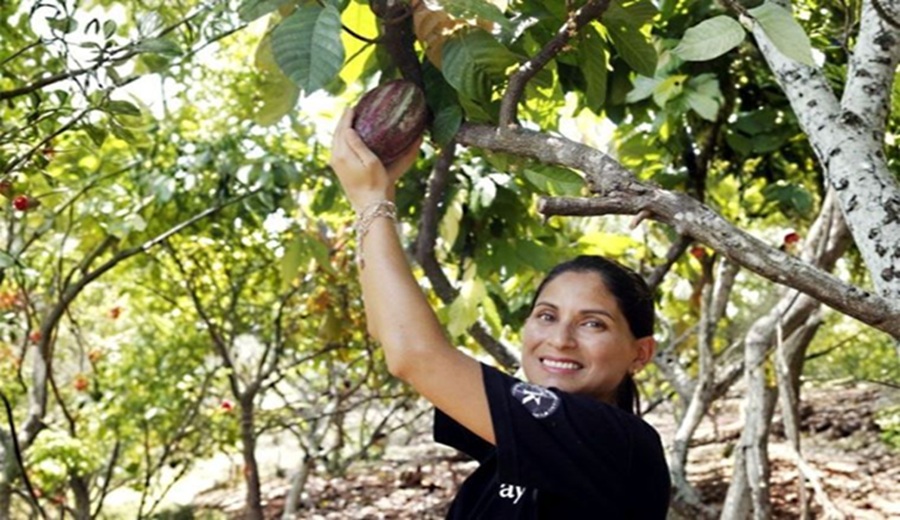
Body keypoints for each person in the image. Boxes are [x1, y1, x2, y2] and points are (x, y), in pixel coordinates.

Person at [330, 108, 671, 518]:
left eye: (593, 323)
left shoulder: (616, 443)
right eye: (546, 315)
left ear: (640, 353)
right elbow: (390, 331)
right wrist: (379, 195)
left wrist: (369, 201)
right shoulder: (527, 437)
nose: (560, 339)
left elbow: (413, 355)